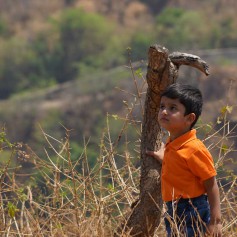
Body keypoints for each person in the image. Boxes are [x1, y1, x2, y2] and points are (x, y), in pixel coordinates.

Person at [146, 83, 222, 237]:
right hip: (174, 209)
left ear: (189, 118)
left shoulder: (194, 149)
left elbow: (211, 184)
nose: (164, 111)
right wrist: (164, 159)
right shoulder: (173, 143)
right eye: (162, 106)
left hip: (191, 209)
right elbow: (181, 168)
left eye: (173, 108)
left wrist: (216, 221)